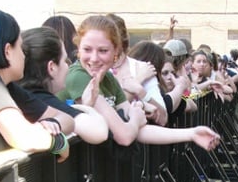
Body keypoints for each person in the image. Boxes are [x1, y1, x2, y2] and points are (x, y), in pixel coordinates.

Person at [58, 14, 220, 150]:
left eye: (103, 50)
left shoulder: (108, 79)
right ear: (78, 49)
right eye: (87, 49)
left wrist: (191, 133)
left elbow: (139, 131)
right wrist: (135, 118)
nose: (94, 58)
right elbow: (125, 135)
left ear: (116, 51)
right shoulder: (78, 76)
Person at [0, 3, 71, 167]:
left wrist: (52, 126)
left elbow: (66, 119)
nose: (24, 55)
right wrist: (56, 141)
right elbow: (24, 137)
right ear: (7, 50)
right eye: (21, 47)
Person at [20, 27, 108, 144]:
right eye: (65, 61)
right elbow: (99, 132)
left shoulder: (18, 93)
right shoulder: (40, 99)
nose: (68, 66)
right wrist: (85, 108)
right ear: (52, 67)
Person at [106, 13, 167, 126]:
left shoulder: (142, 68)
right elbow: (111, 112)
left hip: (143, 139)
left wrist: (142, 93)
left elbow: (163, 118)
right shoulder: (95, 69)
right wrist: (138, 80)